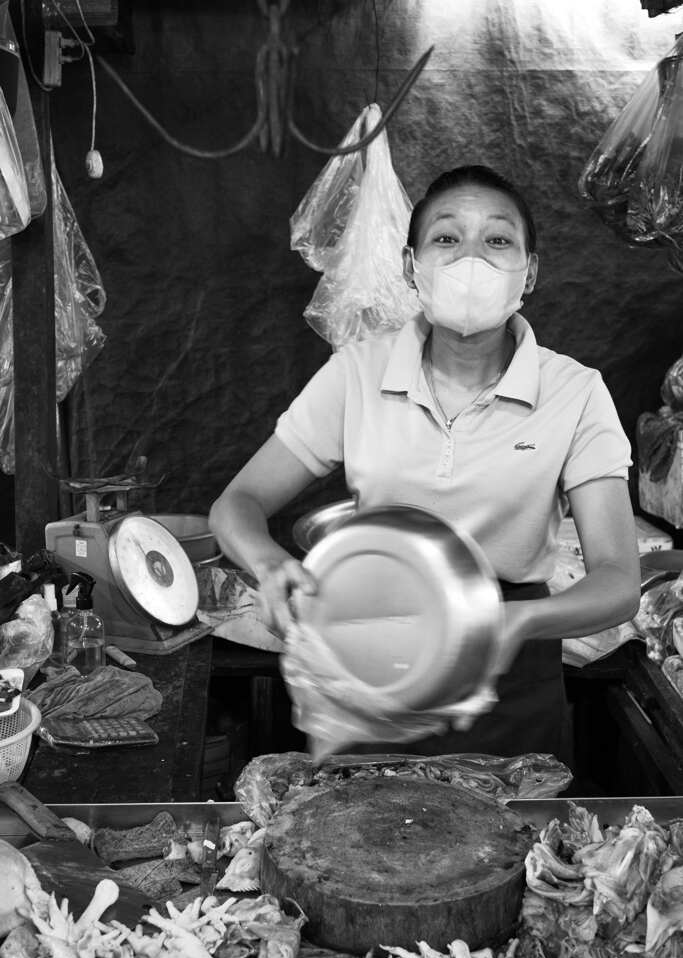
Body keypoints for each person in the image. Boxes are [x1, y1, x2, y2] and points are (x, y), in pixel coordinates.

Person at [209, 164, 640, 763]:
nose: (471, 260)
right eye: (446, 238)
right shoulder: (359, 371)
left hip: (509, 664)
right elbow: (238, 503)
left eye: (497, 240)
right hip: (366, 649)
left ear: (529, 271)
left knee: (511, 844)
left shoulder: (576, 391)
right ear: (412, 267)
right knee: (352, 839)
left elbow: (619, 582)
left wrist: (515, 625)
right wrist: (270, 562)